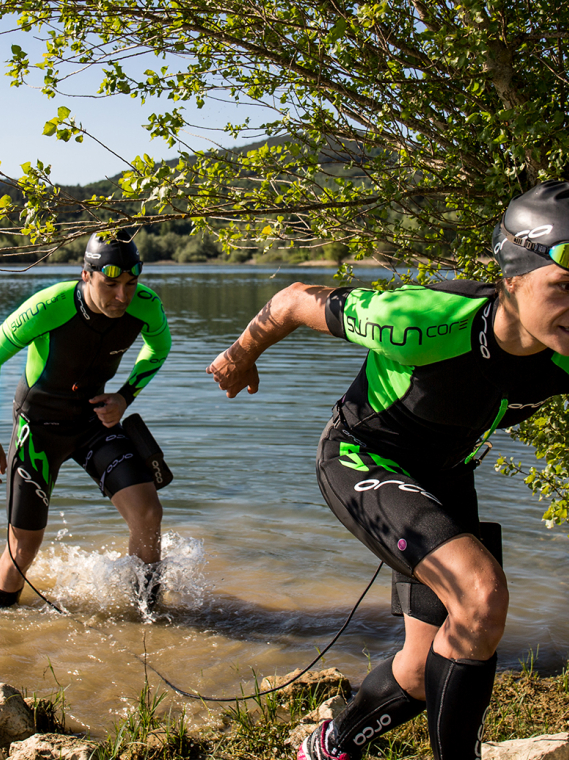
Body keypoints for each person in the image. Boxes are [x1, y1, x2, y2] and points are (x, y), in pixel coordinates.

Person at [207, 179, 569, 760]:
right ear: (512, 277)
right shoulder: (421, 320)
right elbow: (297, 299)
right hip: (362, 457)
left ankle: (328, 745)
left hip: (444, 477)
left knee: (426, 667)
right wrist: (238, 357)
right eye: (564, 286)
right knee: (480, 598)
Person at [0, 232, 171, 607]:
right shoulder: (50, 306)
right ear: (85, 275)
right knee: (23, 546)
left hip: (95, 422)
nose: (122, 297)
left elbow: (161, 347)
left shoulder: (146, 306)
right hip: (39, 426)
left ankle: (151, 619)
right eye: (110, 284)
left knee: (148, 512)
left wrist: (124, 396)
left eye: (130, 283)